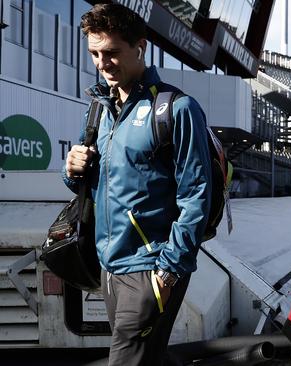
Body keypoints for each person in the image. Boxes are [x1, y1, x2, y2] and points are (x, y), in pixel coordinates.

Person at [63, 4, 212, 365]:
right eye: (95, 54)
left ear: (139, 47)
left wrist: (168, 272)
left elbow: (196, 197)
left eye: (111, 52)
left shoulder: (176, 109)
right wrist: (71, 169)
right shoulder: (99, 108)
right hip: (108, 267)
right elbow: (91, 187)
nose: (102, 63)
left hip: (149, 269)